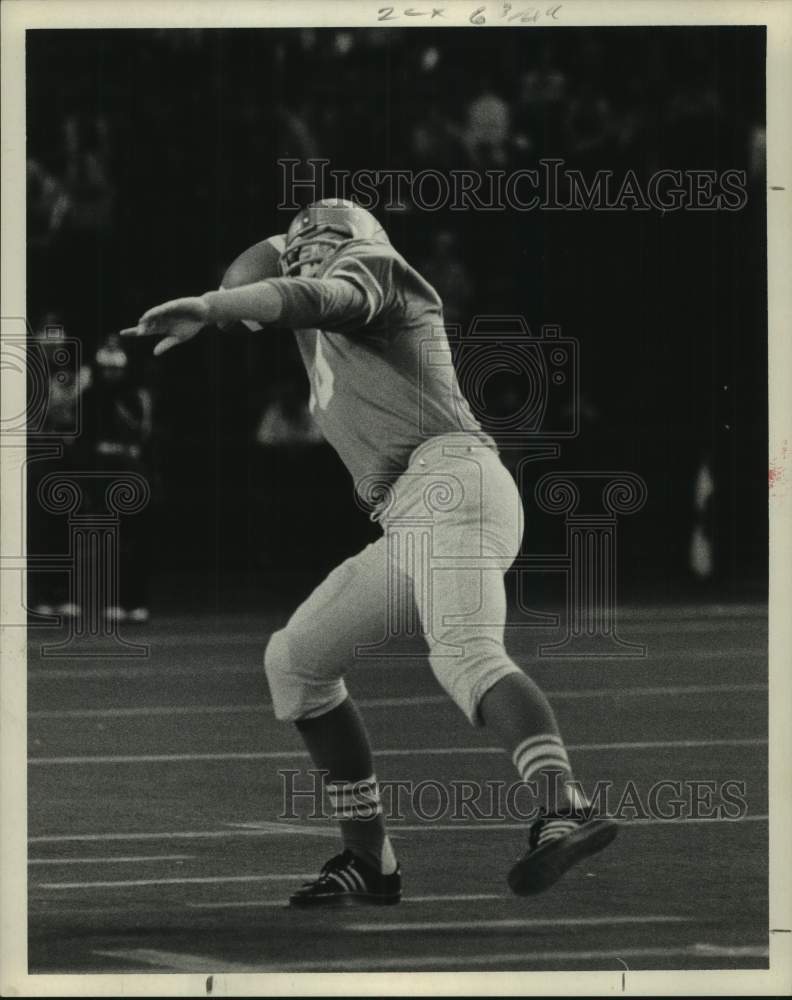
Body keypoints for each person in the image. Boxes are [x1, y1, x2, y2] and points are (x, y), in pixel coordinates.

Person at [122, 199, 616, 906]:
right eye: (297, 245)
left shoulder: (378, 271)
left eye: (323, 239)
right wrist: (239, 291)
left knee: (466, 654)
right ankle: (369, 857)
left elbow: (311, 291)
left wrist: (213, 302)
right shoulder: (316, 301)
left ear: (357, 240)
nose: (307, 252)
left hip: (453, 482)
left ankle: (564, 805)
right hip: (411, 511)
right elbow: (269, 279)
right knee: (296, 663)